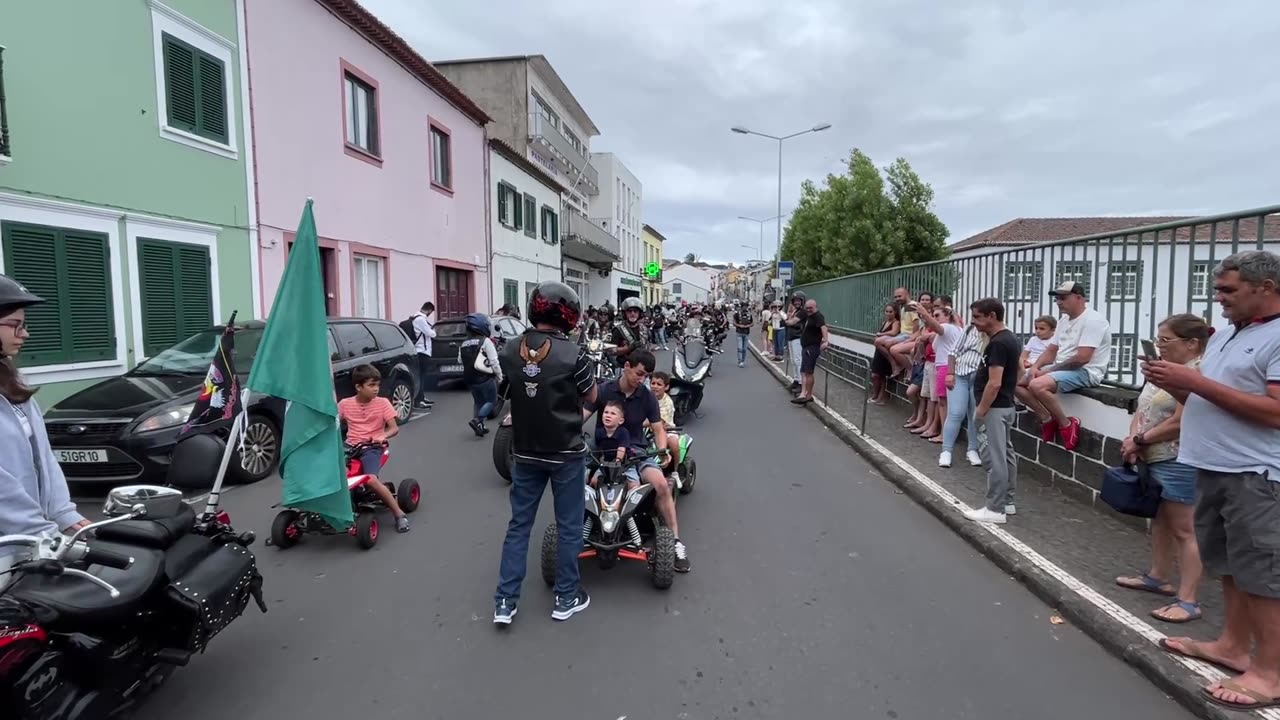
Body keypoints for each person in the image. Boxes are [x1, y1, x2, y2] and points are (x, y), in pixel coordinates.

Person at [1145, 251, 1280, 710]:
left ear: (1265, 288)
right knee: (1231, 566)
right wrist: (1176, 382)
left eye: (1228, 290)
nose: (1217, 298)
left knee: (1262, 576)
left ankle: (1270, 673)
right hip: (1215, 467)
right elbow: (1215, 401)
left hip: (1255, 473)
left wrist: (1196, 384)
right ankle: (1232, 647)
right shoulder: (1227, 337)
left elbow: (1276, 412)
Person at [493, 281, 597, 625]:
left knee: (519, 525)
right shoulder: (575, 354)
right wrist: (571, 418)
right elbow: (592, 398)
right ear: (568, 312)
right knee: (569, 527)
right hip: (566, 452)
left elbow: (506, 392)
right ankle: (566, 597)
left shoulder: (510, 349)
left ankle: (505, 602)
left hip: (524, 451)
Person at [1115, 313, 1209, 624]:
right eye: (1159, 340)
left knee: (1185, 529)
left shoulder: (1196, 373)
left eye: (1166, 341)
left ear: (1192, 343)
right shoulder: (1168, 371)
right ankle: (1158, 576)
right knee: (1161, 520)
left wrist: (1139, 439)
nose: (1160, 347)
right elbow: (1144, 406)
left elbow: (1181, 422)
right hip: (1152, 454)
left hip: (1177, 458)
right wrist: (1134, 438)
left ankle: (1189, 599)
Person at [0, 274, 89, 542]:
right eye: (14, 325)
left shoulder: (13, 385)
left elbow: (43, 459)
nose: (24, 334)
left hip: (30, 543)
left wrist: (65, 516)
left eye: (24, 325)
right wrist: (40, 533)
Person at [585, 350, 689, 572]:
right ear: (627, 367)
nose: (642, 380)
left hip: (637, 453)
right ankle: (575, 533)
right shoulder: (603, 390)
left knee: (660, 483)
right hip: (603, 452)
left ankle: (676, 541)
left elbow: (658, 427)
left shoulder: (647, 396)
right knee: (576, 480)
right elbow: (580, 416)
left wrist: (661, 451)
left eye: (646, 377)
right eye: (639, 374)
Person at [1018, 282, 1111, 451]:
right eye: (1057, 299)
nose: (1059, 302)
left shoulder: (1093, 320)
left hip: (1087, 371)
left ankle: (1067, 423)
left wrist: (1049, 370)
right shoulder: (1063, 321)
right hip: (1064, 369)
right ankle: (1046, 419)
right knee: (1018, 385)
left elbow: (1082, 358)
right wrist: (1035, 367)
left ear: (1079, 297)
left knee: (1037, 385)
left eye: (1063, 298)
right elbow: (1052, 350)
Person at [965, 297, 1021, 525]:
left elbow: (994, 382)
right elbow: (1020, 371)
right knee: (1006, 454)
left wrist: (981, 410)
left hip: (995, 409)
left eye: (978, 316)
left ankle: (995, 509)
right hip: (1006, 405)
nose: (974, 322)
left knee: (994, 457)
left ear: (992, 316)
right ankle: (1007, 501)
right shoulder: (1011, 339)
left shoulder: (997, 343)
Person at [337, 365, 410, 533]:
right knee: (331, 473)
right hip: (349, 447)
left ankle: (399, 514)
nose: (376, 389)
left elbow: (394, 428)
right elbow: (332, 425)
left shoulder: (383, 403)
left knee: (370, 479)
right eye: (371, 385)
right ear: (358, 387)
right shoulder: (345, 404)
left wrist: (381, 436)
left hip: (372, 448)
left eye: (377, 384)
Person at [939, 318, 987, 468]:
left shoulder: (998, 333)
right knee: (956, 413)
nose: (975, 320)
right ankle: (946, 451)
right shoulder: (968, 329)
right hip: (960, 375)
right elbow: (953, 352)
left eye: (978, 316)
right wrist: (950, 373)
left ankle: (972, 449)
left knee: (975, 415)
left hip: (979, 378)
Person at [916, 304, 964, 445]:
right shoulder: (958, 329)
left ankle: (944, 434)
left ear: (947, 316)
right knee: (946, 403)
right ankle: (946, 433)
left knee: (943, 403)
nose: (935, 318)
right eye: (934, 315)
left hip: (944, 367)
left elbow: (936, 327)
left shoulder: (947, 328)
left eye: (937, 315)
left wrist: (924, 313)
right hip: (950, 366)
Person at [458, 313, 503, 437]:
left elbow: (460, 360)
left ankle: (480, 427)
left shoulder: (464, 343)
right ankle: (478, 420)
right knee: (491, 401)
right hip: (484, 377)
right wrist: (499, 375)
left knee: (478, 402)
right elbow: (494, 361)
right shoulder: (486, 341)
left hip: (469, 378)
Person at [791, 298, 829, 405]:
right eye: (807, 308)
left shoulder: (818, 316)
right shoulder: (810, 316)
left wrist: (826, 341)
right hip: (806, 347)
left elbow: (824, 328)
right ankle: (805, 394)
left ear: (816, 307)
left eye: (810, 308)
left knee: (808, 372)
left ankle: (808, 394)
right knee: (804, 371)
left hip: (811, 348)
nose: (808, 310)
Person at [648, 371, 682, 484]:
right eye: (653, 383)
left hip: (666, 429)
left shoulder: (667, 402)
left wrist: (636, 421)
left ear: (666, 387)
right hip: (646, 429)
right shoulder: (645, 397)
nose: (655, 387)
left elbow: (658, 422)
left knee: (673, 443)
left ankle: (675, 471)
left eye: (659, 384)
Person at [590, 401, 631, 485]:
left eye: (613, 413)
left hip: (624, 465)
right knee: (594, 481)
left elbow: (621, 449)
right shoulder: (599, 432)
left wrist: (617, 460)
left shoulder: (623, 432)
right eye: (606, 412)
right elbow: (597, 449)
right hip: (605, 464)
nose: (608, 415)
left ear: (621, 420)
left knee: (632, 484)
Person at [869, 303, 901, 405]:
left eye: (890, 311)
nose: (888, 313)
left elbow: (894, 333)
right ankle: (876, 394)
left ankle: (881, 397)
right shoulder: (885, 322)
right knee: (875, 375)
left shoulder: (896, 322)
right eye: (886, 311)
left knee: (882, 376)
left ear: (895, 312)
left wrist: (881, 334)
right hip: (879, 351)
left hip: (886, 352)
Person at [411, 301, 437, 410]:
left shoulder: (415, 318)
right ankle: (419, 400)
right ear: (429, 310)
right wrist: (433, 331)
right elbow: (432, 334)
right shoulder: (420, 320)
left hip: (421, 351)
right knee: (421, 376)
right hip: (422, 351)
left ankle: (421, 397)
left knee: (422, 376)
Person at [610, 297, 647, 366]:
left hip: (642, 368)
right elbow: (612, 351)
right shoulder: (618, 330)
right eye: (629, 311)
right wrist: (628, 348)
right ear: (624, 313)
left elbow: (648, 348)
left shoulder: (644, 329)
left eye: (635, 311)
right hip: (623, 367)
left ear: (640, 314)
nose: (632, 314)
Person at [784, 292, 807, 388]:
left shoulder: (802, 312)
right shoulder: (795, 311)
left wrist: (787, 321)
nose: (797, 302)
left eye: (798, 300)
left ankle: (801, 382)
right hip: (791, 337)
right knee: (793, 360)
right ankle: (796, 379)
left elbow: (791, 322)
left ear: (802, 301)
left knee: (798, 360)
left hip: (798, 337)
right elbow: (788, 320)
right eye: (795, 300)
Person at [733, 302, 753, 368]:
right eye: (744, 306)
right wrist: (739, 325)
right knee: (740, 348)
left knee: (744, 348)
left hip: (746, 332)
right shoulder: (737, 314)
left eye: (746, 306)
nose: (745, 308)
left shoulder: (749, 314)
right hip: (739, 332)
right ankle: (740, 361)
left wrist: (748, 325)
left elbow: (752, 323)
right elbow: (734, 322)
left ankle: (743, 360)